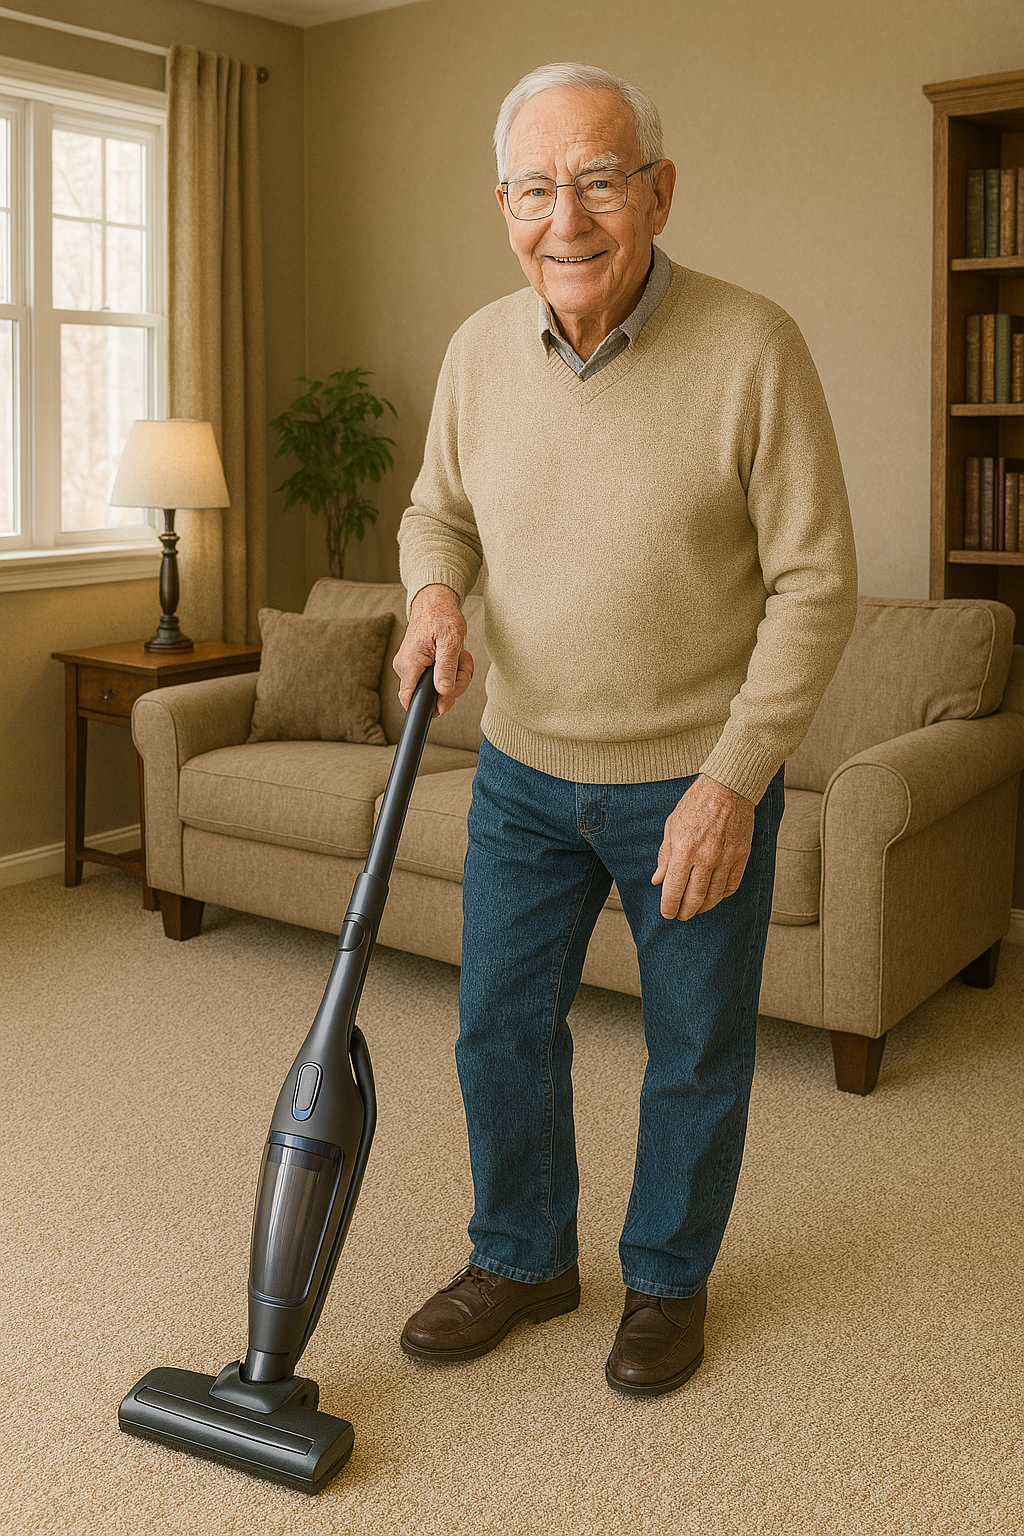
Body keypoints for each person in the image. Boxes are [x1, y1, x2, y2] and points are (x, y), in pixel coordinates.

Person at [392, 61, 857, 1397]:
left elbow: (817, 582)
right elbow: (440, 513)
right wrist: (434, 594)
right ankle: (526, 1257)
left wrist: (735, 780)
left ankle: (665, 1282)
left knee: (695, 1052)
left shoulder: (752, 344)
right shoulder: (478, 350)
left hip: (691, 781)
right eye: (538, 188)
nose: (570, 218)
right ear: (504, 204)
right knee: (497, 1032)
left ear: (657, 190)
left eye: (600, 180)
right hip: (522, 772)